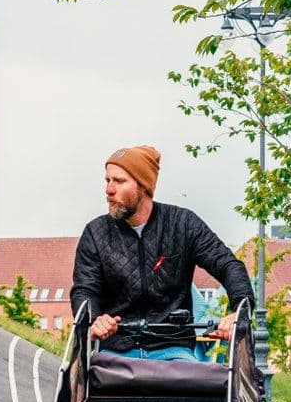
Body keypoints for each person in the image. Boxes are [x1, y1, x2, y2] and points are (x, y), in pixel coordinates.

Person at [70, 145, 254, 361]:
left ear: (143, 187)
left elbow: (228, 265)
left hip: (173, 351)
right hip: (114, 351)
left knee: (203, 388)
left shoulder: (183, 224)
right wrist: (94, 321)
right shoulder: (96, 232)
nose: (109, 190)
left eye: (119, 181)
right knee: (80, 387)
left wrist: (239, 313)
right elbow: (84, 289)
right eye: (108, 180)